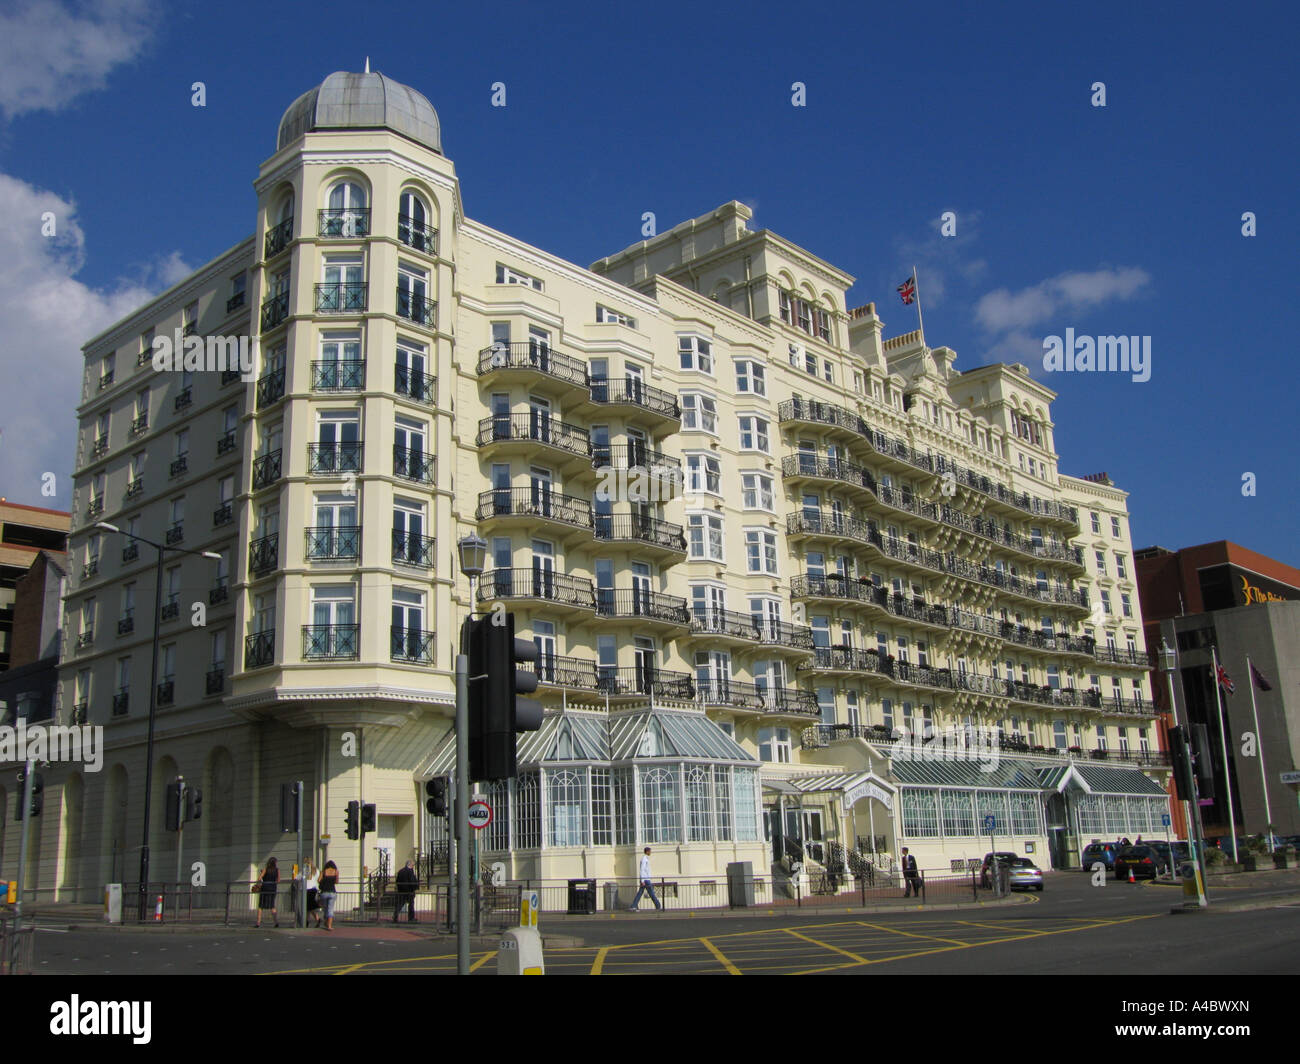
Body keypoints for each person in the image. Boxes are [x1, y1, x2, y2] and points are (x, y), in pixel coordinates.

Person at [628, 847, 662, 911]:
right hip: (646, 880)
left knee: (640, 892)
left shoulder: (646, 859)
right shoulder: (644, 859)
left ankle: (634, 905)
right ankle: (658, 905)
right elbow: (642, 870)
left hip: (646, 879)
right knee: (651, 893)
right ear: (647, 851)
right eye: (650, 851)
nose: (650, 852)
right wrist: (642, 880)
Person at [255, 857, 280, 928]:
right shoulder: (277, 870)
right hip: (272, 889)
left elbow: (259, 878)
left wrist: (263, 880)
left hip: (265, 888)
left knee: (261, 906)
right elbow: (278, 880)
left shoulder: (266, 869)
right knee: (272, 905)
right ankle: (276, 922)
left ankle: (258, 923)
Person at [318, 859, 340, 931]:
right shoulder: (336, 872)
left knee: (325, 908)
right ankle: (329, 926)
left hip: (324, 892)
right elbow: (336, 882)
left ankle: (326, 922)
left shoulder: (324, 871)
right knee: (330, 909)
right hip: (332, 892)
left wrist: (324, 880)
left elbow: (319, 880)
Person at [304, 861, 321, 928]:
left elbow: (298, 877)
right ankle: (307, 921)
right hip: (314, 889)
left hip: (307, 889)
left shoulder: (306, 869)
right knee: (309, 907)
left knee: (308, 907)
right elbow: (318, 879)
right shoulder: (316, 870)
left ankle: (317, 919)